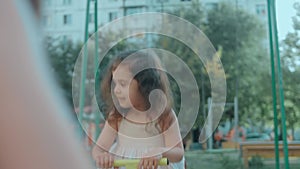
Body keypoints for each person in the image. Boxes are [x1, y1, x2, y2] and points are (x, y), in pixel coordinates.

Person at [92, 50, 185, 169]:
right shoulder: (117, 116)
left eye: (123, 84)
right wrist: (101, 156)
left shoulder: (164, 116)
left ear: (144, 85)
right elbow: (99, 148)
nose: (116, 90)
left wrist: (161, 152)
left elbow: (178, 153)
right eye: (115, 83)